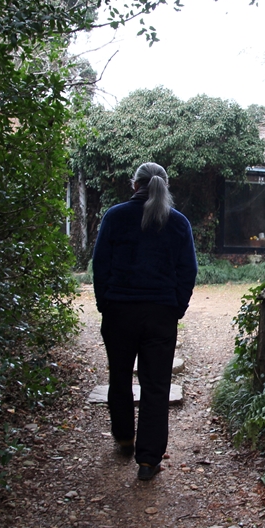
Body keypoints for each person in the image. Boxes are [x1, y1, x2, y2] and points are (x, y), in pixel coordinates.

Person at [92, 162, 197, 481]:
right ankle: (148, 461)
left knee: (119, 378)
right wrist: (175, 307)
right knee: (156, 385)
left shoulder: (114, 216)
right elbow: (188, 271)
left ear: (133, 184)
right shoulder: (178, 222)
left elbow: (100, 266)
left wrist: (105, 304)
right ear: (164, 186)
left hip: (119, 312)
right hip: (160, 316)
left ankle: (124, 439)